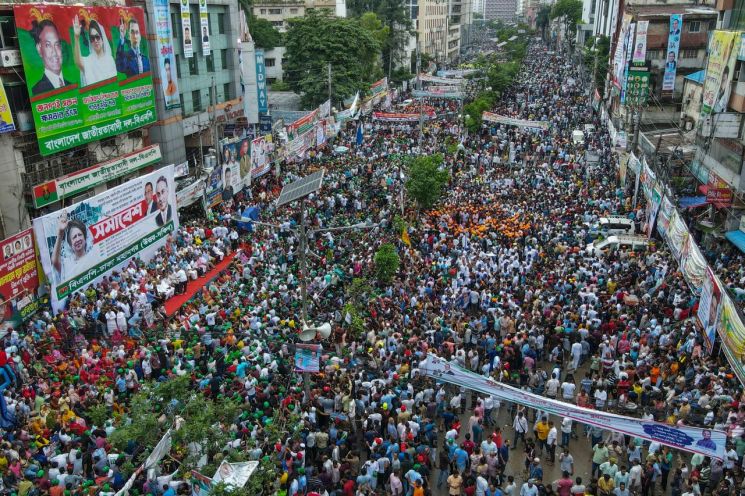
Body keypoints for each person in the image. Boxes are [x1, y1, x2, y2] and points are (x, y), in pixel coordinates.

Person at [72, 16, 117, 86]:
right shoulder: (89, 61)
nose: (95, 40)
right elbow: (78, 62)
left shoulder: (109, 59)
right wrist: (76, 37)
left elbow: (114, 84)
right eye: (92, 38)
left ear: (102, 39)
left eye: (97, 37)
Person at [30, 19, 68, 95]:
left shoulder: (71, 85)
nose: (54, 52)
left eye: (57, 44)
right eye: (48, 45)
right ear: (39, 49)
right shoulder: (37, 91)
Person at [51, 213, 91, 283]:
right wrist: (60, 232)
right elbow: (54, 261)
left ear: (85, 237)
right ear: (70, 243)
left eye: (80, 235)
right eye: (74, 237)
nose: (78, 239)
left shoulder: (92, 255)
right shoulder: (67, 264)